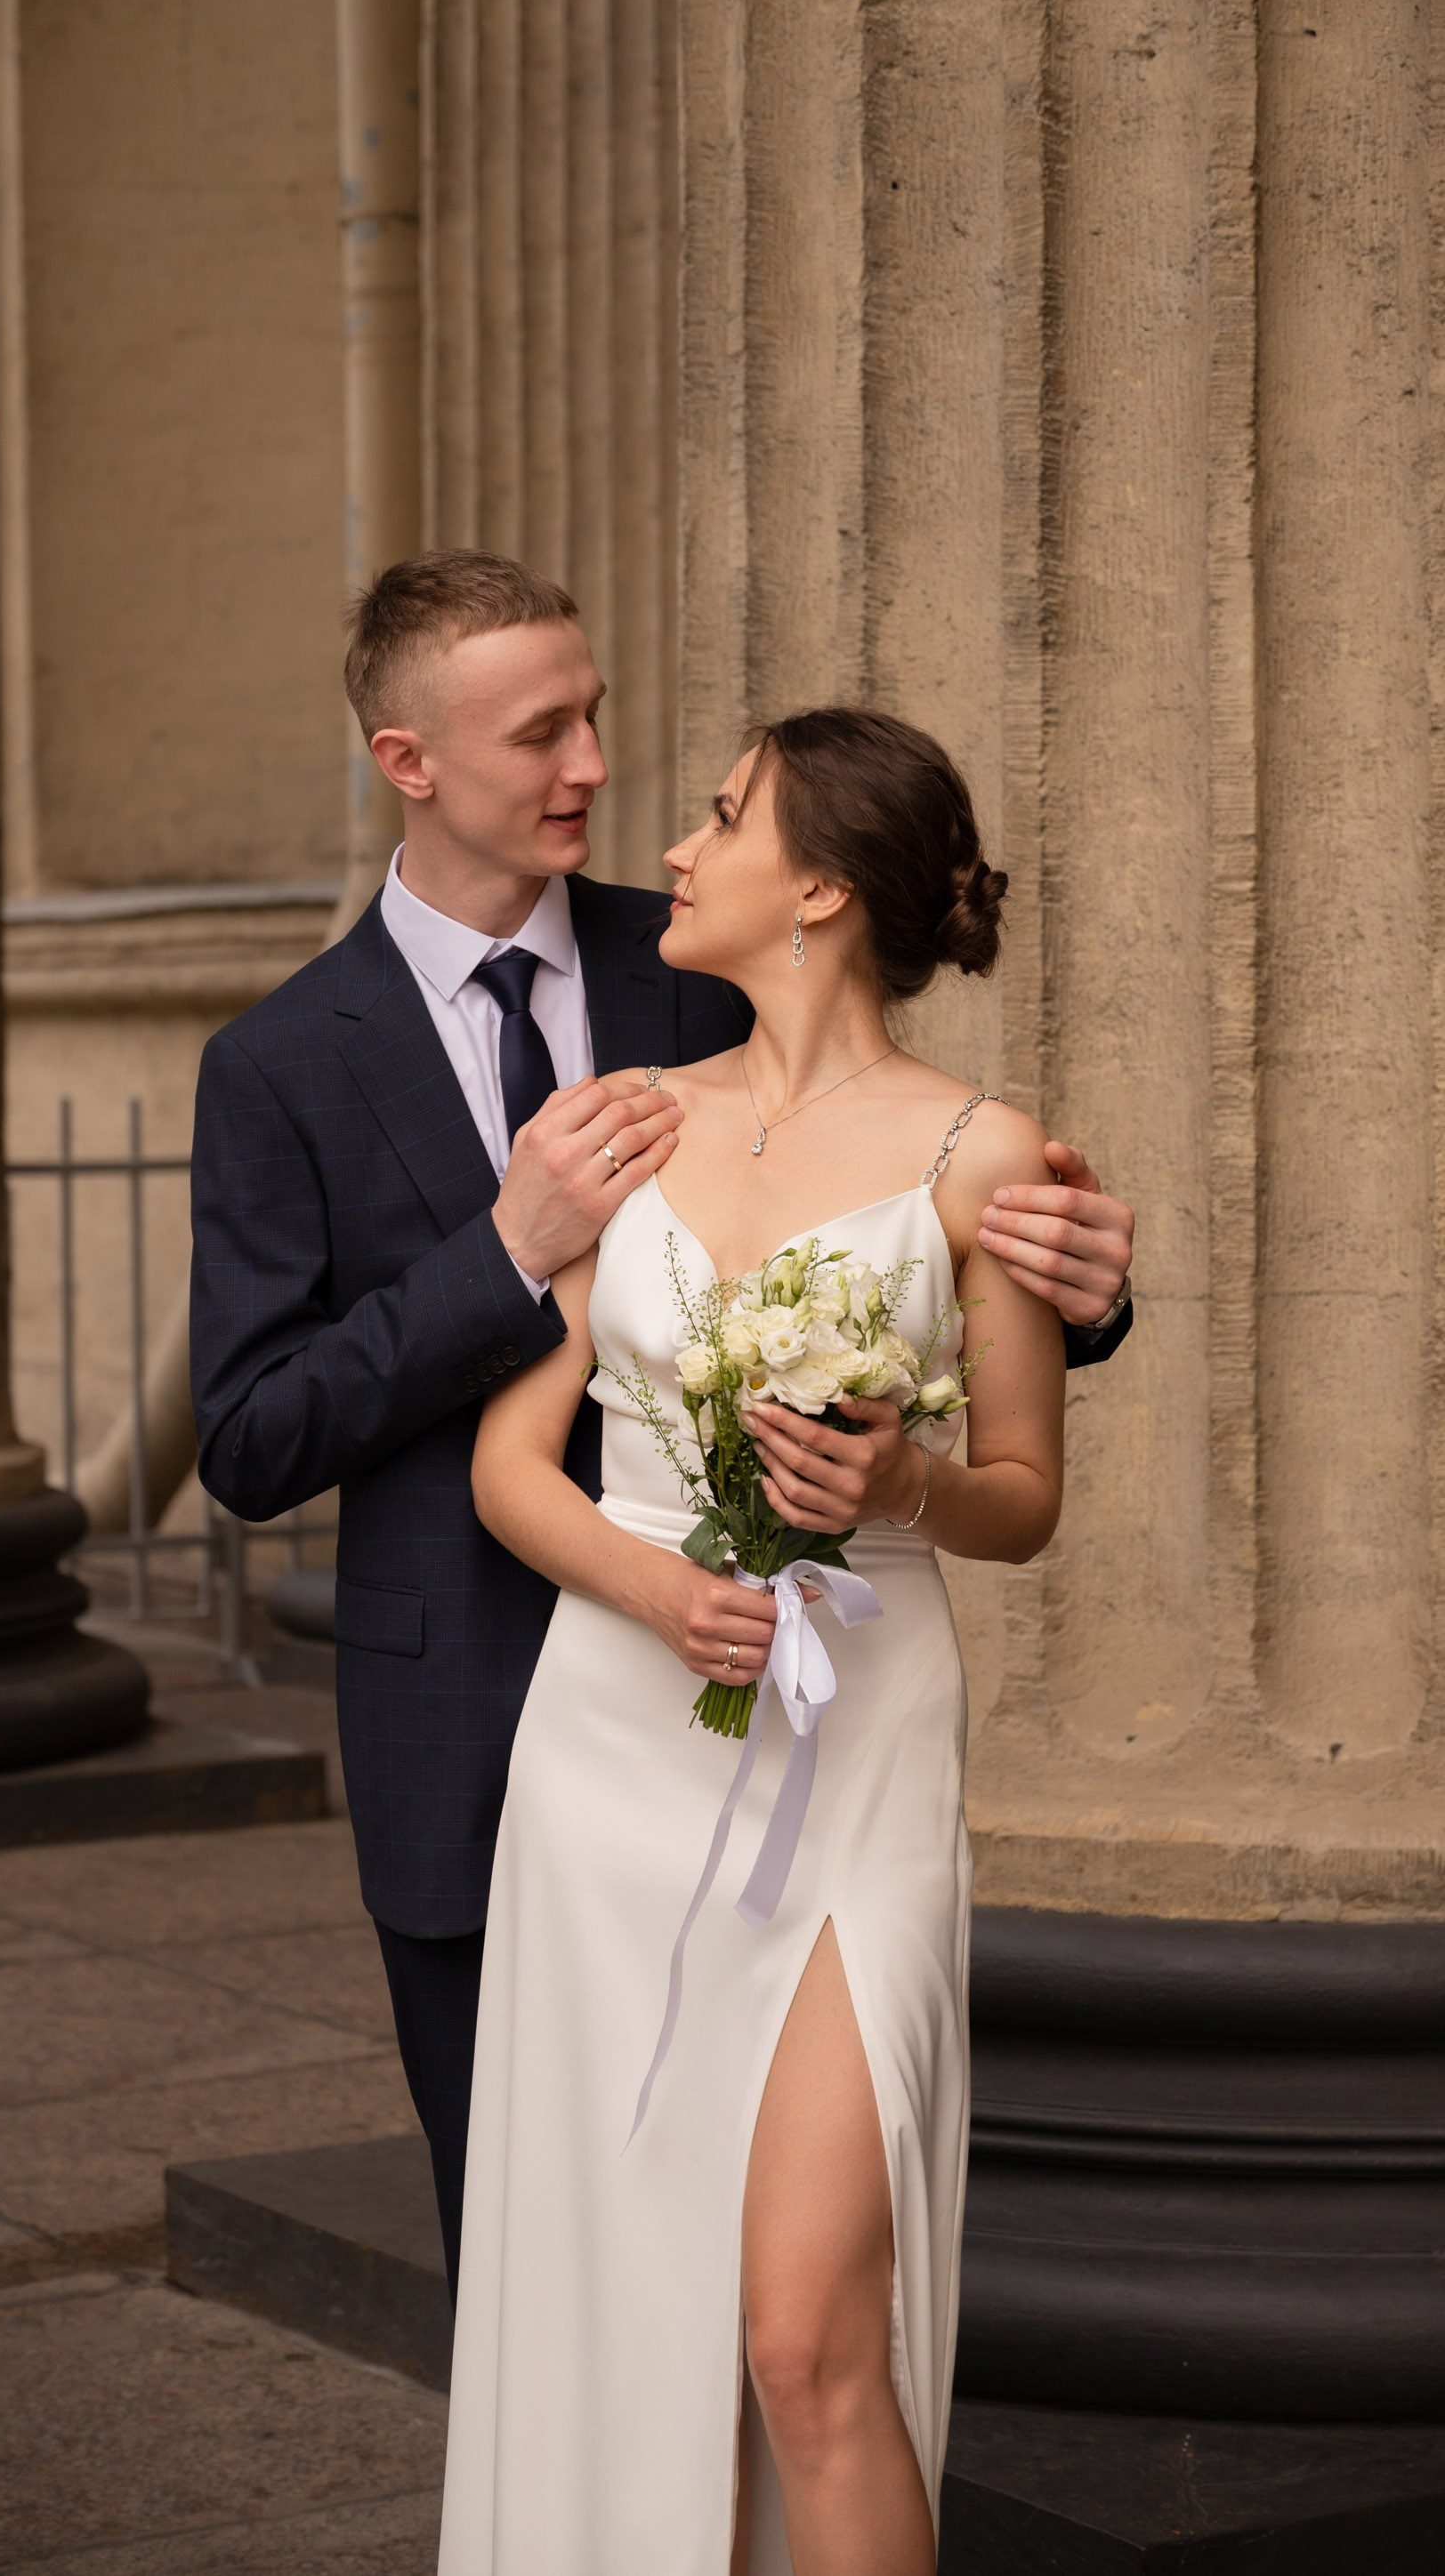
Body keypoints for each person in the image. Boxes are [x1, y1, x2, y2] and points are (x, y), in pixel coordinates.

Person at [189, 553, 1134, 2301]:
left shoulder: (704, 965)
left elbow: (877, 1225)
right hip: (477, 1735)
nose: (591, 765)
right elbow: (248, 1438)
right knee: (546, 2279)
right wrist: (501, 1255)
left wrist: (1079, 1283)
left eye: (596, 714)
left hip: (777, 1724)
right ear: (408, 759)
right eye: (539, 729)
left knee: (774, 2282)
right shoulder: (279, 1063)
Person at [444, 709, 1062, 2574]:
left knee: (803, 2335)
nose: (679, 844)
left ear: (816, 885)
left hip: (851, 1744)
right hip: (610, 1752)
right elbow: (506, 1458)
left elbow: (1023, 1491)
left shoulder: (983, 1152)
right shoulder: (627, 1119)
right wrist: (654, 1590)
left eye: (722, 816)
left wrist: (902, 1487)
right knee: (639, 2316)